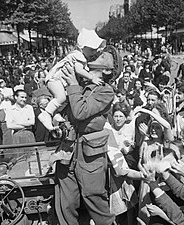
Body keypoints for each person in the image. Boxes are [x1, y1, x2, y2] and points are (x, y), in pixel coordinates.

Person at [54, 48, 122, 225]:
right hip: (67, 152)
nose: (94, 56)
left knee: (95, 201)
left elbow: (81, 112)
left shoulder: (105, 91)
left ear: (107, 70)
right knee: (65, 204)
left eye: (101, 56)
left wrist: (72, 85)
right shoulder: (80, 82)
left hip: (89, 157)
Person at [38, 28, 106, 131]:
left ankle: (55, 113)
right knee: (60, 97)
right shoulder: (79, 56)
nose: (94, 52)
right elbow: (78, 70)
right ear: (82, 47)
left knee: (64, 97)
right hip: (56, 80)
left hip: (59, 81)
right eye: (92, 49)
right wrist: (92, 78)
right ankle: (46, 113)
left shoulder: (77, 55)